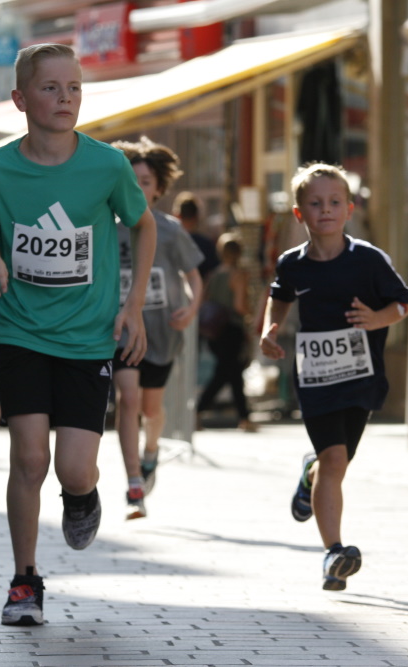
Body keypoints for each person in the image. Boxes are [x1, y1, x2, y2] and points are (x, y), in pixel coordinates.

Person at [0, 43, 157, 627]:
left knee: (74, 469)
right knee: (28, 456)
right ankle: (24, 581)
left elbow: (142, 224)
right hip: (20, 331)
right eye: (50, 88)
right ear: (20, 99)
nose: (64, 98)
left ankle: (83, 496)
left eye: (73, 88)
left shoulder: (106, 166)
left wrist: (135, 304)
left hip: (88, 337)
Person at [260, 163, 408, 591]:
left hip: (361, 378)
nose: (325, 210)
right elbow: (279, 298)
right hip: (316, 377)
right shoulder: (293, 264)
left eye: (334, 203)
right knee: (336, 460)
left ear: (349, 209)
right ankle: (334, 553)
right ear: (298, 213)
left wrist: (375, 317)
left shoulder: (368, 260)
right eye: (315, 203)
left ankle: (310, 477)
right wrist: (271, 329)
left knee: (334, 465)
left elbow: (403, 304)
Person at [110, 137, 204, 520]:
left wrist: (192, 308)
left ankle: (151, 451)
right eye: (131, 181)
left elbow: (195, 276)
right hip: (121, 333)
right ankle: (134, 482)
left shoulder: (169, 230)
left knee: (152, 408)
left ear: (159, 188)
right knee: (127, 400)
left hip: (163, 333)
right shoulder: (107, 228)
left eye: (146, 182)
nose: (139, 188)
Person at [196, 233, 259, 433]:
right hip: (232, 329)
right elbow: (240, 306)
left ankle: (243, 417)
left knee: (232, 374)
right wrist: (251, 313)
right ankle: (198, 411)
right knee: (226, 374)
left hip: (215, 331)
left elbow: (204, 300)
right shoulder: (238, 275)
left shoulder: (213, 275)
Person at [172, 191, 219, 280]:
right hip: (202, 292)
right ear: (196, 217)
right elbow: (213, 274)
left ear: (177, 216)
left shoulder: (170, 243)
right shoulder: (206, 245)